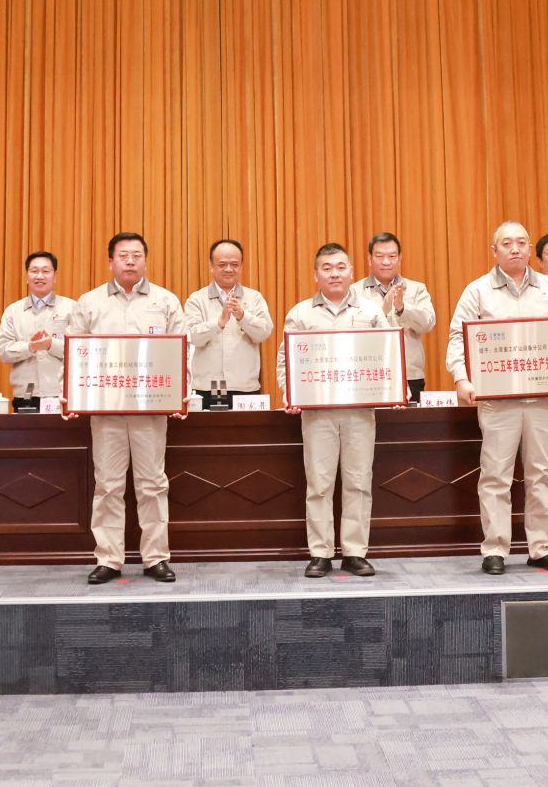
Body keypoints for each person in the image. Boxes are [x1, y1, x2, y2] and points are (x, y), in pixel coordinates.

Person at [446, 221, 548, 574]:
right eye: (506, 243)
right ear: (494, 250)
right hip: (497, 401)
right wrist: (461, 377)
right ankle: (495, 549)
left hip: (543, 398)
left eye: (521, 243)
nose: (514, 248)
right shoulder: (477, 291)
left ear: (530, 249)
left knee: (542, 473)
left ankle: (541, 547)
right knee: (495, 475)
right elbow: (458, 338)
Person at [65, 232, 186, 585]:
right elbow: (73, 351)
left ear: (145, 260)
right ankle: (108, 558)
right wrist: (69, 394)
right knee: (108, 486)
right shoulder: (89, 303)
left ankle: (156, 557)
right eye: (123, 255)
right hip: (107, 413)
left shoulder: (165, 301)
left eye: (136, 255)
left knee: (153, 485)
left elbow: (184, 350)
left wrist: (180, 393)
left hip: (151, 411)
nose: (130, 261)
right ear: (110, 262)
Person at [277, 243, 391, 579]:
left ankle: (355, 552)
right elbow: (285, 360)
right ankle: (321, 552)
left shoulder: (371, 311)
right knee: (319, 483)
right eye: (327, 268)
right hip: (318, 413)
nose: (334, 274)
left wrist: (392, 388)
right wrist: (290, 392)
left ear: (352, 272)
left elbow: (387, 354)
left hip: (359, 411)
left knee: (359, 481)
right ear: (316, 275)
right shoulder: (301, 313)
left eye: (341, 267)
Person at [184, 239, 274, 407]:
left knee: (245, 426)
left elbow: (264, 332)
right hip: (208, 388)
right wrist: (219, 323)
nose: (228, 269)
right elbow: (192, 337)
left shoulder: (254, 298)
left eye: (234, 264)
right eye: (222, 264)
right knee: (212, 425)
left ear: (241, 267)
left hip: (245, 387)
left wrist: (242, 316)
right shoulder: (197, 299)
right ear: (211, 266)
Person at [353, 232, 437, 401]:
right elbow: (352, 332)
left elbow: (428, 323)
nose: (386, 262)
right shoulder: (354, 291)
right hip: (369, 375)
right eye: (379, 256)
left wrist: (402, 308)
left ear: (399, 259)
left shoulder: (417, 289)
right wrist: (382, 311)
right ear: (369, 259)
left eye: (392, 256)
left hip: (410, 375)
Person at [0, 250, 74, 412]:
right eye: (34, 271)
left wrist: (51, 344)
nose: (39, 276)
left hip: (61, 394)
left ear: (55, 276)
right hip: (25, 396)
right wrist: (29, 347)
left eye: (46, 271)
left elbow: (81, 350)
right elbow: (2, 350)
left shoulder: (71, 308)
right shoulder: (13, 311)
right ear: (27, 276)